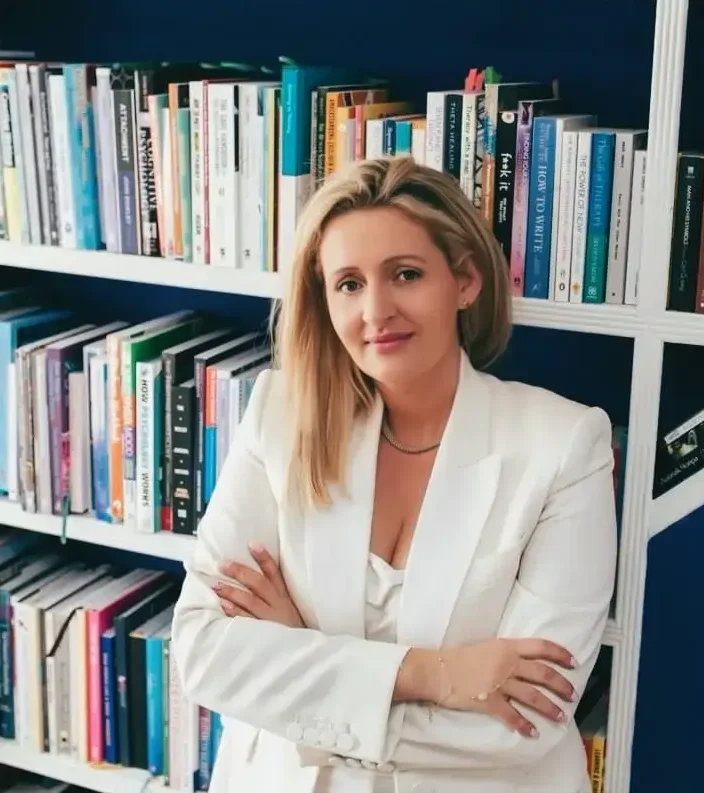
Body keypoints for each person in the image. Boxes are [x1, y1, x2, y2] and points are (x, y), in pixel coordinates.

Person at [171, 156, 618, 793]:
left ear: (464, 280)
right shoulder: (279, 416)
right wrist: (436, 675)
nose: (375, 311)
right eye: (347, 284)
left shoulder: (566, 444)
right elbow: (202, 652)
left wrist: (299, 670)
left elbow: (525, 721)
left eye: (405, 274)